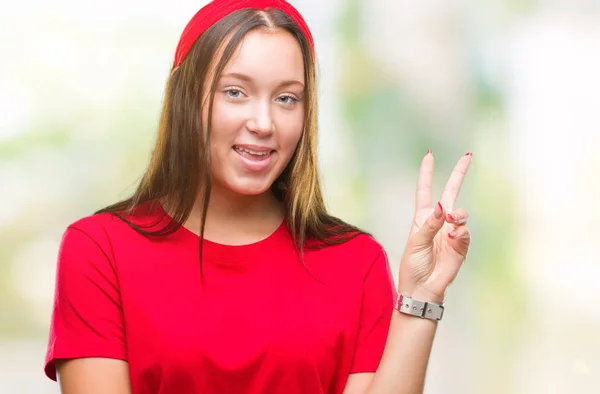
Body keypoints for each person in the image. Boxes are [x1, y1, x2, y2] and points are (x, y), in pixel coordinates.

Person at [44, 0, 473, 393]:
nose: (264, 122)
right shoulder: (100, 250)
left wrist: (423, 295)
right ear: (186, 98)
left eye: (287, 98)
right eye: (235, 92)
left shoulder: (355, 262)